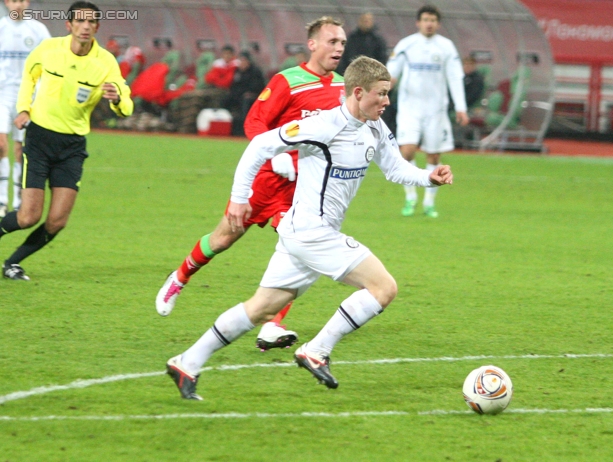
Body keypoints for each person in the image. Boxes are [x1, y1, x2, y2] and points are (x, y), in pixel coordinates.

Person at [165, 56, 454, 400]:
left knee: (261, 308)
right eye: (381, 94)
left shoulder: (375, 126)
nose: (387, 101)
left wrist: (428, 177)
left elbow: (394, 168)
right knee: (383, 288)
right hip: (312, 232)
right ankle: (316, 350)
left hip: (303, 235)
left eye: (388, 94)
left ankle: (187, 361)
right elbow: (260, 145)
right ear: (358, 92)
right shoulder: (323, 125)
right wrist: (239, 198)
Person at [156, 16, 347, 352]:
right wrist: (277, 158)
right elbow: (255, 121)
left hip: (304, 188)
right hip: (268, 179)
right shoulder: (288, 80)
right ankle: (180, 278)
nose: (339, 48)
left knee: (299, 251)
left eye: (342, 43)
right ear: (313, 44)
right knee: (223, 237)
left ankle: (273, 325)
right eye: (332, 41)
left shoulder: (343, 86)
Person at [0, 1, 133, 280]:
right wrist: (24, 108)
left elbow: (125, 99)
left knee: (57, 221)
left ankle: (12, 263)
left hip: (72, 146)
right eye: (80, 22)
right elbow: (29, 77)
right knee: (28, 217)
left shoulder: (105, 62)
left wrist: (119, 100)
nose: (85, 27)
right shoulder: (49, 50)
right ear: (69, 25)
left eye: (91, 22)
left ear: (97, 27)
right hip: (39, 139)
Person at [387, 5, 468, 218]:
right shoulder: (407, 45)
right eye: (425, 19)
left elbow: (454, 77)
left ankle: (429, 202)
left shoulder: (446, 47)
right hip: (409, 109)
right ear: (418, 22)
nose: (429, 23)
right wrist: (382, 94)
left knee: (433, 156)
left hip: (436, 111)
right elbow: (391, 74)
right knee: (407, 152)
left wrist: (461, 107)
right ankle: (410, 197)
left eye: (433, 20)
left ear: (438, 23)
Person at [0, 0, 50, 218]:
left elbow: (48, 62)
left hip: (27, 97)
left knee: (21, 149)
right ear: (6, 3)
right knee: (1, 144)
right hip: (3, 94)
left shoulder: (38, 30)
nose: (17, 5)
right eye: (13, 1)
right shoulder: (1, 27)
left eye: (21, 0)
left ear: (27, 3)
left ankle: (19, 200)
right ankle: (1, 200)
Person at [222, 51, 266, 136]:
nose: (242, 63)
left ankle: (244, 129)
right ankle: (225, 125)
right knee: (224, 100)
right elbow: (234, 85)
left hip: (252, 97)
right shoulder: (237, 71)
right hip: (238, 95)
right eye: (240, 61)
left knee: (246, 101)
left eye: (244, 61)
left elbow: (258, 87)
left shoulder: (255, 71)